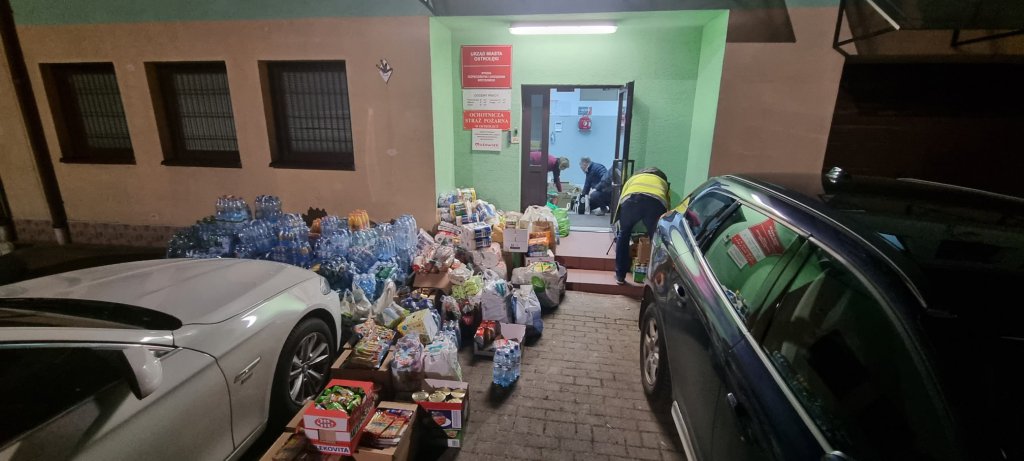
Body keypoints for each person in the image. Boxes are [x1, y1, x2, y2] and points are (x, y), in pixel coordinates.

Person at [612, 167, 669, 285]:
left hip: (631, 200)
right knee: (656, 240)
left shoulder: (633, 179)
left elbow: (621, 198)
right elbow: (667, 205)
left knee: (624, 234)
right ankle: (654, 278)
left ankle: (620, 276)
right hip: (655, 202)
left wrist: (618, 221)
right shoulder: (663, 182)